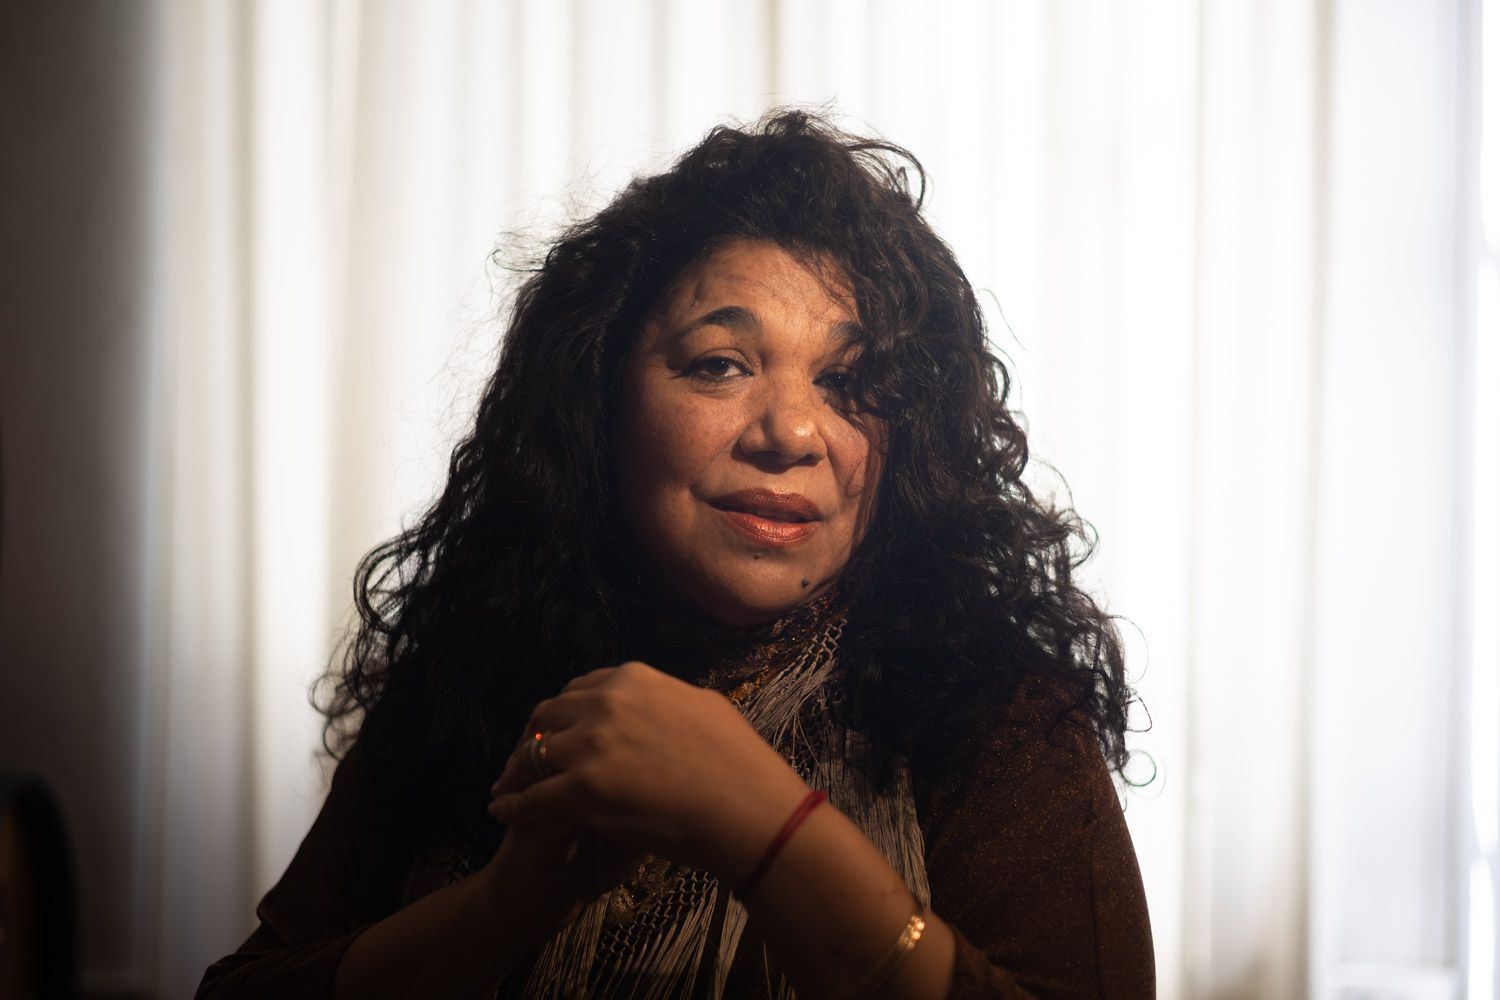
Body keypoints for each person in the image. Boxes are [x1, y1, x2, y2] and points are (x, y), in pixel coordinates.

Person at [196, 110, 1154, 999]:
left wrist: (767, 827)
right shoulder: (469, 677)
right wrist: (503, 906)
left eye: (848, 382)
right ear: (600, 400)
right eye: (720, 365)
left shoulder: (997, 714)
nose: (791, 432)